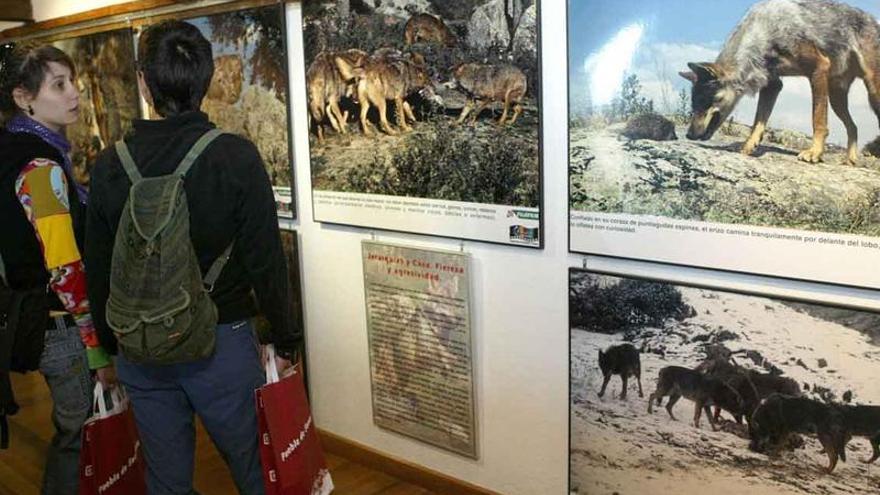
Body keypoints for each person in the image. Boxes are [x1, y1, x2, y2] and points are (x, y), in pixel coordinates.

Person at [84, 21, 301, 495]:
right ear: (206, 80)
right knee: (255, 468)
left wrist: (108, 345)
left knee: (166, 480)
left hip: (140, 345)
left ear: (143, 81)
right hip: (220, 341)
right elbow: (266, 261)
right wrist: (284, 342)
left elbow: (99, 270)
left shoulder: (109, 166)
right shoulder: (235, 158)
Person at [0, 42, 115, 495]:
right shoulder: (40, 167)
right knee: (80, 431)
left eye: (75, 83)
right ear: (23, 97)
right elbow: (64, 268)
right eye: (60, 85)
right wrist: (96, 349)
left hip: (38, 314)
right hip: (61, 327)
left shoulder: (15, 149)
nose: (75, 95)